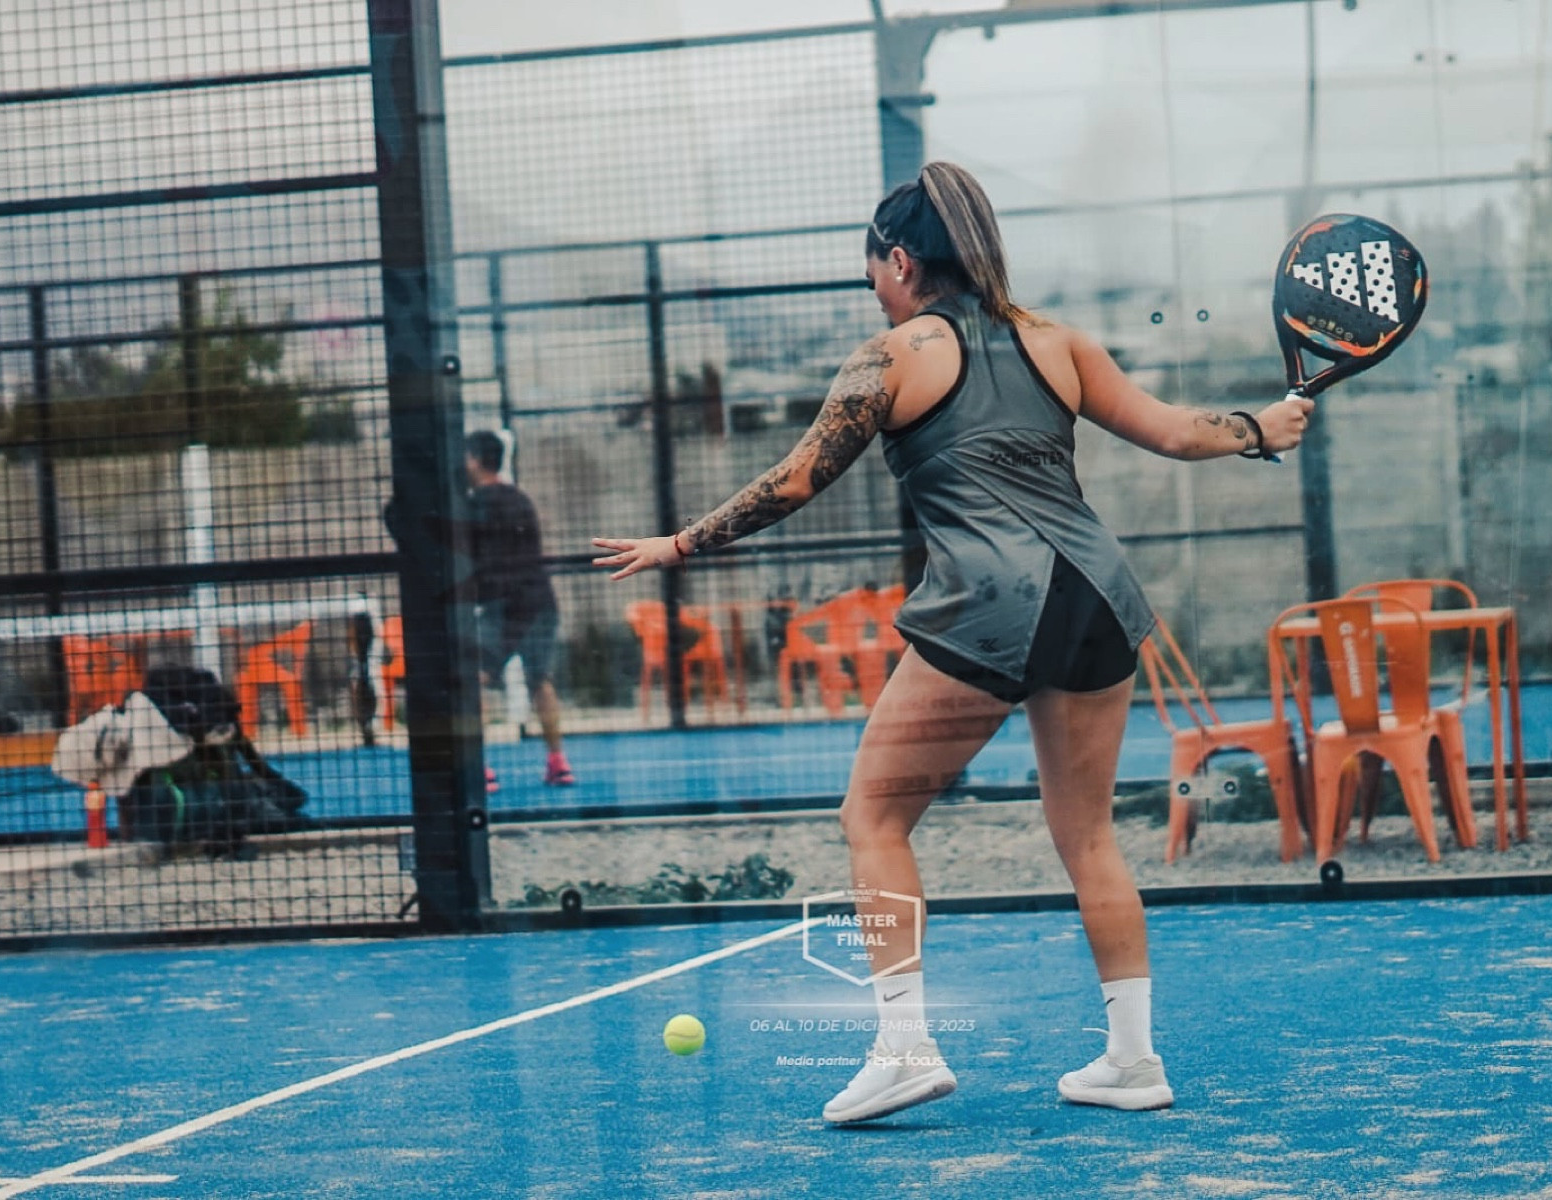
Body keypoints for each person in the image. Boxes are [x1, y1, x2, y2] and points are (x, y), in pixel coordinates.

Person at [592, 162, 1313, 1122]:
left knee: (873, 820)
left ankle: (903, 1051)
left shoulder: (890, 357)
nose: (875, 293)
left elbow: (797, 480)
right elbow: (1179, 433)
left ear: (899, 261)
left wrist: (679, 544)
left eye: (873, 275)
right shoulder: (1059, 341)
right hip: (1097, 600)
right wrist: (1259, 428)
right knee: (1090, 837)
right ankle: (1134, 1061)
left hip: (989, 604)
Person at [462, 430, 575, 787]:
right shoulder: (520, 498)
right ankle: (558, 763)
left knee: (474, 679)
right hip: (539, 601)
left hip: (506, 605)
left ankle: (478, 769)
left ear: (474, 460)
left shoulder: (475, 504)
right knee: (540, 680)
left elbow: (469, 558)